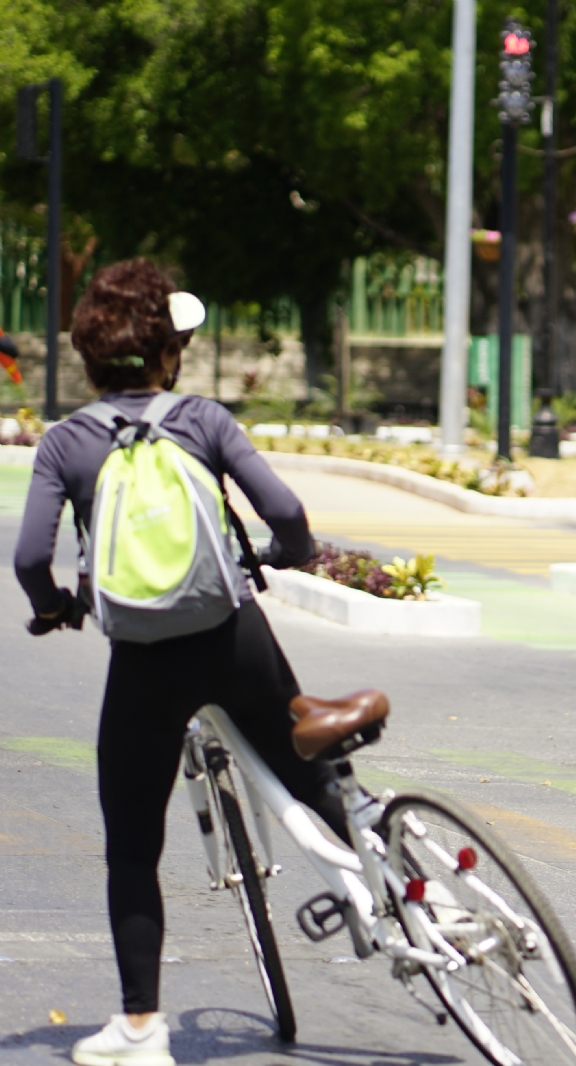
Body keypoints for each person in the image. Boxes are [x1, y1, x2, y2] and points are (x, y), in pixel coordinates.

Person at [13, 259, 347, 1066]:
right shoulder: (203, 420)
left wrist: (55, 609)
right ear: (169, 351)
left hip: (145, 660)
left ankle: (139, 1028)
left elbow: (30, 557)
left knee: (132, 846)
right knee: (312, 766)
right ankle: (398, 893)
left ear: (88, 358)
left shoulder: (66, 443)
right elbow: (286, 514)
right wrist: (288, 554)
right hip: (233, 635)